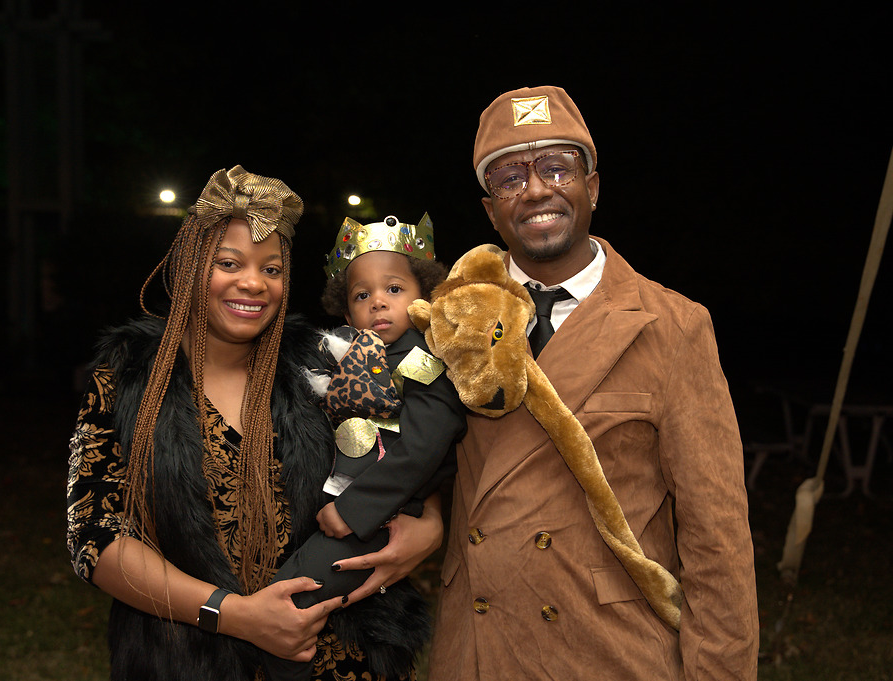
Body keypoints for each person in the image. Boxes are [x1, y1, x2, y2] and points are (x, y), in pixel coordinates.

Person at [427, 86, 759, 680]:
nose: (535, 190)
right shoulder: (448, 316)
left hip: (610, 652)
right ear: (489, 210)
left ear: (593, 188)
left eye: (557, 167)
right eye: (509, 177)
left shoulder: (675, 326)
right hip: (481, 648)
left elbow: (718, 539)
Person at [66, 166, 444, 681]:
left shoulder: (322, 364)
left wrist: (430, 522)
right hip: (189, 659)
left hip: (345, 659)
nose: (253, 282)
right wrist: (234, 615)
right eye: (228, 262)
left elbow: (404, 435)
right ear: (188, 266)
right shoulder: (127, 381)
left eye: (271, 269)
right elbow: (94, 537)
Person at [264, 214, 466, 681]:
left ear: (423, 295)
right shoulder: (352, 356)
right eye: (362, 295)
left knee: (289, 604)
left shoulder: (422, 360)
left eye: (394, 289)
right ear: (347, 309)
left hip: (377, 517)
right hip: (344, 507)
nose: (378, 301)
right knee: (290, 595)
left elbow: (422, 448)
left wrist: (355, 509)